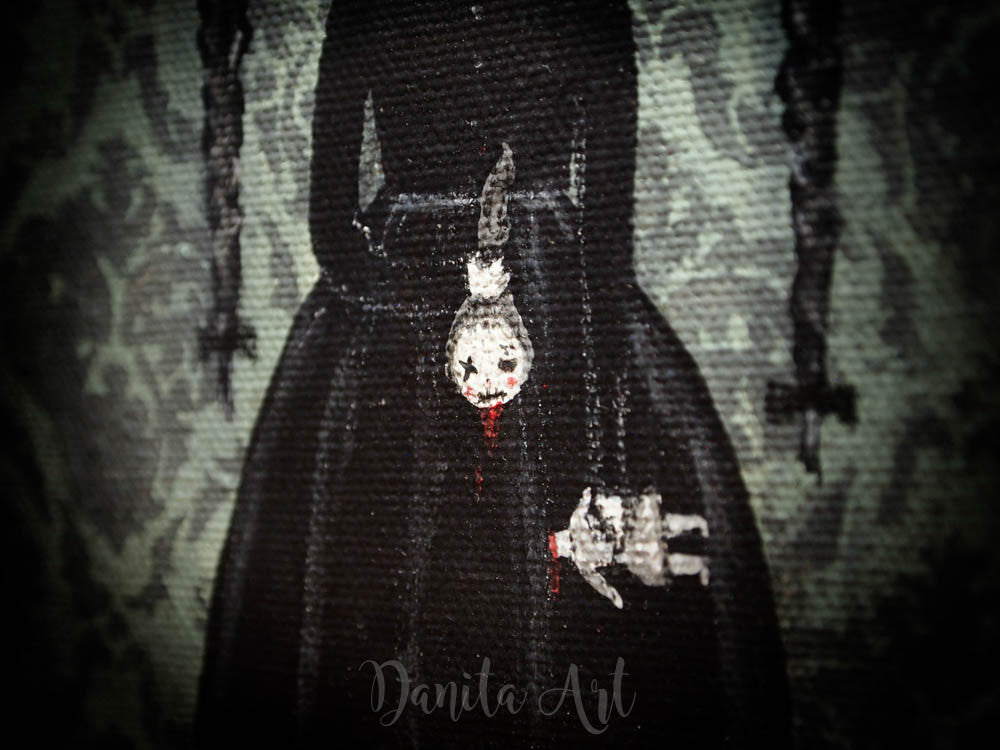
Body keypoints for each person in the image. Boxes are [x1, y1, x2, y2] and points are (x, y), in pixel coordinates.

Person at [196, 2, 790, 746]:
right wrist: (424, 298)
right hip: (392, 308)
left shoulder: (592, 11)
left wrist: (609, 443)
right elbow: (331, 222)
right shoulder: (367, 10)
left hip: (559, 293)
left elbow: (608, 230)